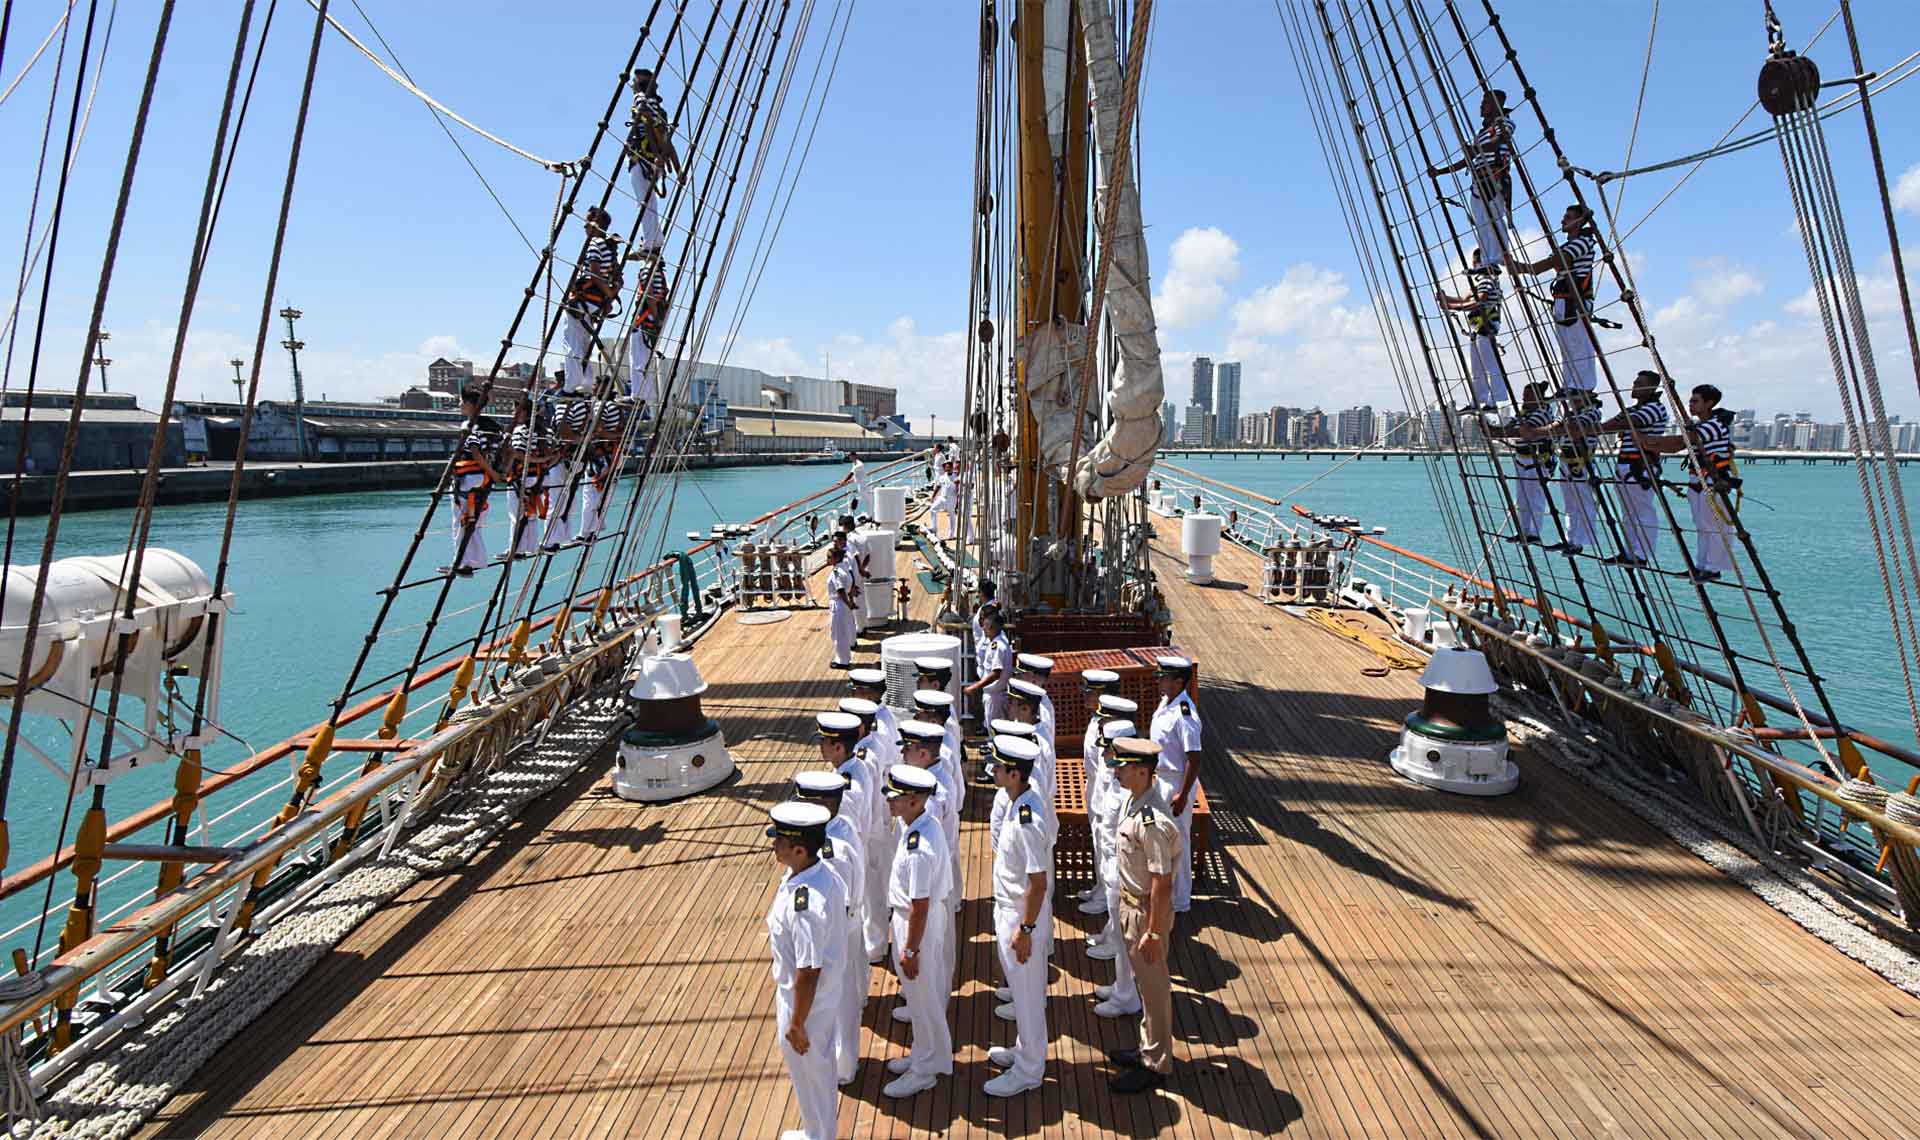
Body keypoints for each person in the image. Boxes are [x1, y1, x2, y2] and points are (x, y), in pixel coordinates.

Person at [764, 800, 847, 1140]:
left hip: (806, 1006)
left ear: (799, 849)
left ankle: (820, 1135)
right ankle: (817, 1132)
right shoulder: (815, 872)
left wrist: (797, 1023)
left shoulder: (806, 903)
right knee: (815, 1074)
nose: (773, 845)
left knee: (811, 1073)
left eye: (779, 842)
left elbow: (808, 970)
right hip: (816, 1000)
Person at [1106, 736, 1180, 1094]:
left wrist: (1153, 931)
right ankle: (1148, 1048)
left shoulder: (1151, 821)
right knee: (1145, 986)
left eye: (1123, 766)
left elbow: (1162, 882)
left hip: (1145, 914)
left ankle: (1157, 1063)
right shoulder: (1135, 802)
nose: (1117, 770)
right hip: (1131, 906)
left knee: (1154, 990)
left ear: (1141, 771)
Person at [984, 734, 1057, 1097]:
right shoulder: (1018, 801)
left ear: (1014, 774)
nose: (993, 770)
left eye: (998, 766)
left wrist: (1025, 930)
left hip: (1021, 916)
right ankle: (1024, 1050)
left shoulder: (1028, 819)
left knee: (1027, 998)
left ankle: (1029, 1070)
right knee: (1022, 992)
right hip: (1012, 911)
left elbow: (1038, 883)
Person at [792, 771, 869, 1090]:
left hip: (834, 931)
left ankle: (843, 1064)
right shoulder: (842, 826)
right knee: (848, 991)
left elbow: (834, 899)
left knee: (840, 1000)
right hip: (847, 924)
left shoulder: (828, 849)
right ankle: (844, 1059)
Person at [881, 764, 953, 1099]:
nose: (890, 803)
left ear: (913, 800)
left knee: (922, 999)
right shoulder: (922, 823)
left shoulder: (918, 847)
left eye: (895, 798)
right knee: (922, 995)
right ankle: (929, 1054)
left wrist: (910, 950)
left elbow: (919, 905)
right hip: (919, 920)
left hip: (916, 924)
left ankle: (925, 1069)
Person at [1648, 383, 1740, 581]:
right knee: (1702, 525)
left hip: (1713, 480)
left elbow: (1684, 441)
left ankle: (1713, 567)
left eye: (1695, 401)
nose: (1691, 404)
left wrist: (1646, 441)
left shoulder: (1715, 425)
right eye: (1690, 401)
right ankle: (1701, 565)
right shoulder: (1701, 426)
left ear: (1710, 403)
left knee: (1716, 527)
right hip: (1697, 480)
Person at [818, 712, 886, 965]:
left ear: (837, 747)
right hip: (863, 839)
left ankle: (875, 947)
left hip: (858, 843)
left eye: (824, 742)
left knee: (862, 904)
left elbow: (849, 822)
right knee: (868, 898)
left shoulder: (846, 787)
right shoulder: (855, 765)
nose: (820, 747)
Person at [1514, 203, 1602, 393]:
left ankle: (1582, 386)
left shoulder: (1584, 241)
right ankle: (1570, 384)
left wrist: (1526, 268)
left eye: (1569, 217)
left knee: (1578, 345)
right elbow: (1557, 261)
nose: (1563, 220)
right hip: (1563, 300)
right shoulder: (1569, 245)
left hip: (1575, 300)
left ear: (1579, 222)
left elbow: (1558, 261)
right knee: (1567, 347)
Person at [1090, 716, 1142, 1020]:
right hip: (1112, 870)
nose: (1105, 754)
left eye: (1109, 750)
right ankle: (1122, 986)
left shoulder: (1131, 792)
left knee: (1125, 942)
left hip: (1123, 876)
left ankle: (1126, 996)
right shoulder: (1118, 780)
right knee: (1121, 940)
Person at [1427, 89, 1515, 268]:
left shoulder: (1504, 123)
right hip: (1478, 180)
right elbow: (1468, 160)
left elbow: (1502, 140)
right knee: (1481, 222)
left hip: (1494, 176)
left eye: (1486, 101)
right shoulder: (1481, 133)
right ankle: (1486, 261)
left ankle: (1497, 259)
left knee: (1494, 219)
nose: (1482, 105)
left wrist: (1475, 150)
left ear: (1497, 104)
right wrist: (1440, 172)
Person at [1147, 656, 1203, 914]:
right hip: (1162, 779)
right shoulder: (1166, 702)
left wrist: (1182, 795)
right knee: (1163, 840)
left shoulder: (1185, 715)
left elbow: (1194, 757)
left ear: (1179, 682)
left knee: (1178, 843)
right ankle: (1166, 895)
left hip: (1175, 782)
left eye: (1165, 677)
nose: (1160, 680)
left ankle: (1180, 901)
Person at [1598, 369, 1670, 567]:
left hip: (1640, 465)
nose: (1634, 387)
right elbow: (1615, 424)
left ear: (1652, 387)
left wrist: (1596, 428)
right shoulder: (1631, 410)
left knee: (1642, 512)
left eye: (1639, 384)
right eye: (1635, 383)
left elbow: (1625, 424)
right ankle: (1629, 552)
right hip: (1625, 464)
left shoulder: (1655, 409)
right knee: (1628, 513)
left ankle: (1641, 553)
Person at [1074, 670, 1124, 914]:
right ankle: (1100, 886)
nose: (1085, 696)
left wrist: (1104, 806)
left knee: (1107, 847)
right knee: (1098, 843)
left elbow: (1109, 772)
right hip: (1095, 790)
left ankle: (1106, 897)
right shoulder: (1098, 720)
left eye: (1090, 692)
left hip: (1106, 797)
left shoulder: (1111, 728)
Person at [1435, 247, 1507, 412]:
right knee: (1477, 368)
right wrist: (1445, 298)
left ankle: (1493, 401)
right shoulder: (1481, 281)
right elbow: (1464, 299)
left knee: (1490, 366)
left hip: (1486, 327)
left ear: (1478, 262)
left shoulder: (1487, 280)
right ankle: (1478, 400)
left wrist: (1453, 306)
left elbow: (1479, 301)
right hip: (1479, 328)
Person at [1484, 383, 1557, 543]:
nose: (1524, 399)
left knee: (1536, 498)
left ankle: (1534, 533)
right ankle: (1523, 531)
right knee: (1522, 498)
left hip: (1537, 460)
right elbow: (1512, 426)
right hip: (1522, 459)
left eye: (1528, 396)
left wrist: (1497, 433)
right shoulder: (1524, 413)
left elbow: (1524, 432)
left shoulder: (1543, 413)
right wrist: (1494, 429)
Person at [561, 206, 624, 396]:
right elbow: (618, 281)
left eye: (588, 221)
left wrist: (608, 295)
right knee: (584, 345)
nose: (584, 225)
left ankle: (571, 386)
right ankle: (586, 384)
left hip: (582, 303)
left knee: (571, 343)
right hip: (594, 304)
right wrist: (609, 296)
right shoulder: (610, 249)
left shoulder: (594, 244)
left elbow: (595, 274)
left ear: (597, 224)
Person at [623, 68, 681, 256]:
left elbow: (648, 126)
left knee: (644, 202)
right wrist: (678, 169)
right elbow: (665, 137)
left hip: (641, 158)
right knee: (650, 202)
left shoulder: (640, 99)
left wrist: (656, 154)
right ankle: (654, 241)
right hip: (653, 161)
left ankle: (650, 244)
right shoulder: (661, 109)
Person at [449, 384, 502, 577]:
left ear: (471, 404)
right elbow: (497, 451)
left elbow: (476, 453)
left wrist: (492, 473)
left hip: (467, 476)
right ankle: (476, 560)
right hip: (482, 478)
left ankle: (462, 563)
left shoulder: (468, 425)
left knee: (461, 521)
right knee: (475, 521)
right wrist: (494, 474)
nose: (460, 405)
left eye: (462, 401)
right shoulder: (493, 427)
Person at [505, 402, 549, 560]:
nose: (513, 414)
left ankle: (516, 549)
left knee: (516, 515)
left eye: (514, 410)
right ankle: (531, 545)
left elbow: (517, 453)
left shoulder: (520, 430)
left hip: (520, 476)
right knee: (531, 514)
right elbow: (550, 453)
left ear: (522, 411)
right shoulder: (543, 431)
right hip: (536, 477)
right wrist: (541, 460)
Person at [1003, 685, 1055, 804]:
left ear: (1025, 709)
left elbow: (1036, 786)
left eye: (1011, 702)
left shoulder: (1035, 744)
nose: (1007, 706)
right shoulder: (1022, 728)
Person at [966, 605, 1011, 731]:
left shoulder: (997, 646)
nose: (983, 628)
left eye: (985, 625)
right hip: (992, 695)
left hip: (995, 696)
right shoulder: (995, 642)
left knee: (994, 732)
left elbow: (996, 673)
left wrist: (975, 687)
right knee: (992, 728)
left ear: (992, 627)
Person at [826, 534, 859, 669]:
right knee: (846, 629)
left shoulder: (836, 572)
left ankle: (842, 660)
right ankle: (846, 654)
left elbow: (840, 590)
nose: (827, 559)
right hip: (844, 604)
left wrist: (849, 602)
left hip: (839, 603)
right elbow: (850, 585)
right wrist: (850, 600)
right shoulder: (844, 568)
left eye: (829, 557)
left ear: (836, 558)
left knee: (838, 633)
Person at [1012, 654, 1057, 745]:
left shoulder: (1042, 708)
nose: (1017, 677)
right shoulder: (1035, 700)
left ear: (1033, 680)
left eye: (1021, 674)